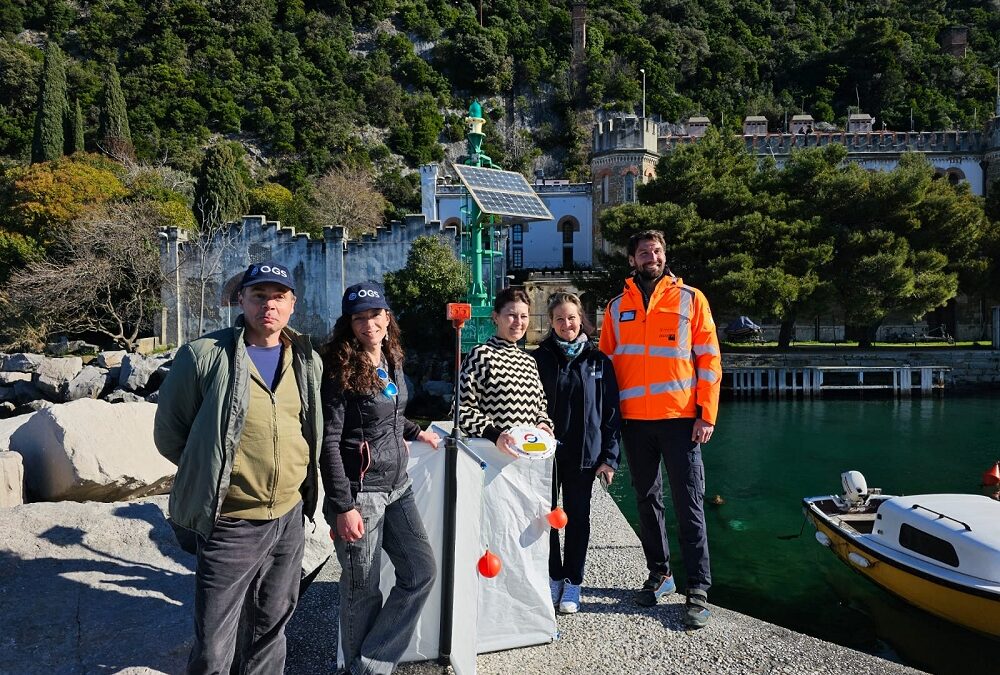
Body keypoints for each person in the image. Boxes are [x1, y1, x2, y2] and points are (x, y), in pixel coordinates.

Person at [154, 261, 323, 674]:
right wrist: (217, 475)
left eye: (279, 296)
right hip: (230, 522)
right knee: (214, 644)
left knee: (271, 629)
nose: (269, 304)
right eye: (259, 295)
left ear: (293, 304)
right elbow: (170, 435)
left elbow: (309, 427)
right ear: (241, 300)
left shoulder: (306, 359)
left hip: (288, 517)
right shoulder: (203, 356)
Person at [599, 230, 722, 628]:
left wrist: (706, 414)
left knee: (690, 503)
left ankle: (698, 588)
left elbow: (709, 360)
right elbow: (605, 366)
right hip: (635, 422)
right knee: (647, 501)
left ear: (664, 255)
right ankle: (660, 574)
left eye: (656, 250)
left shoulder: (691, 299)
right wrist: (607, 423)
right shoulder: (616, 308)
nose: (651, 257)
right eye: (643, 252)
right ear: (632, 260)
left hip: (681, 420)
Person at [320, 281, 440, 675]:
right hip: (362, 493)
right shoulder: (340, 368)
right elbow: (329, 441)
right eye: (359, 317)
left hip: (398, 485)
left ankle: (370, 664)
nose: (368, 323)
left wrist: (416, 431)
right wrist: (343, 506)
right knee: (362, 591)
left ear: (387, 317)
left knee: (421, 572)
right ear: (349, 323)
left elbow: (390, 412)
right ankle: (361, 670)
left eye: (375, 314)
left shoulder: (391, 356)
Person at [533, 291, 621, 615]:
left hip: (584, 455)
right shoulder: (539, 359)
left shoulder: (598, 361)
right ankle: (553, 575)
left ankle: (573, 581)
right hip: (546, 456)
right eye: (559, 319)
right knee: (546, 517)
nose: (566, 324)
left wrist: (609, 458)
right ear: (551, 322)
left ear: (580, 319)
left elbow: (611, 414)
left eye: (571, 318)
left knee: (578, 519)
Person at [455, 287, 552, 455]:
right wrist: (495, 436)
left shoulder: (529, 362)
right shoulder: (481, 355)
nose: (518, 322)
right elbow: (461, 409)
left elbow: (540, 406)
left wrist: (543, 423)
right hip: (490, 457)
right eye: (512, 315)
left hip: (528, 458)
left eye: (524, 316)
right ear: (496, 317)